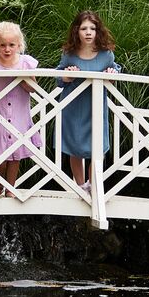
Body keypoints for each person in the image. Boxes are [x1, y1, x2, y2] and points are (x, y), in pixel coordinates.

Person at [56, 10, 119, 190]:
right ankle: (81, 185)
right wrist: (66, 76)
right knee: (75, 146)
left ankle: (93, 184)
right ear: (77, 31)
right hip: (74, 106)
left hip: (96, 105)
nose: (89, 32)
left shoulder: (106, 54)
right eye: (84, 28)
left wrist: (112, 74)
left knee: (98, 146)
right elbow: (58, 78)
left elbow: (114, 72)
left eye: (93, 28)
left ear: (99, 31)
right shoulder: (69, 54)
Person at [0, 21, 39, 196]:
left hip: (20, 114)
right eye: (2, 45)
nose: (7, 49)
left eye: (11, 45)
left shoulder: (25, 63)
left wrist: (23, 77)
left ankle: (10, 187)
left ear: (19, 45)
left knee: (15, 153)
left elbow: (33, 87)